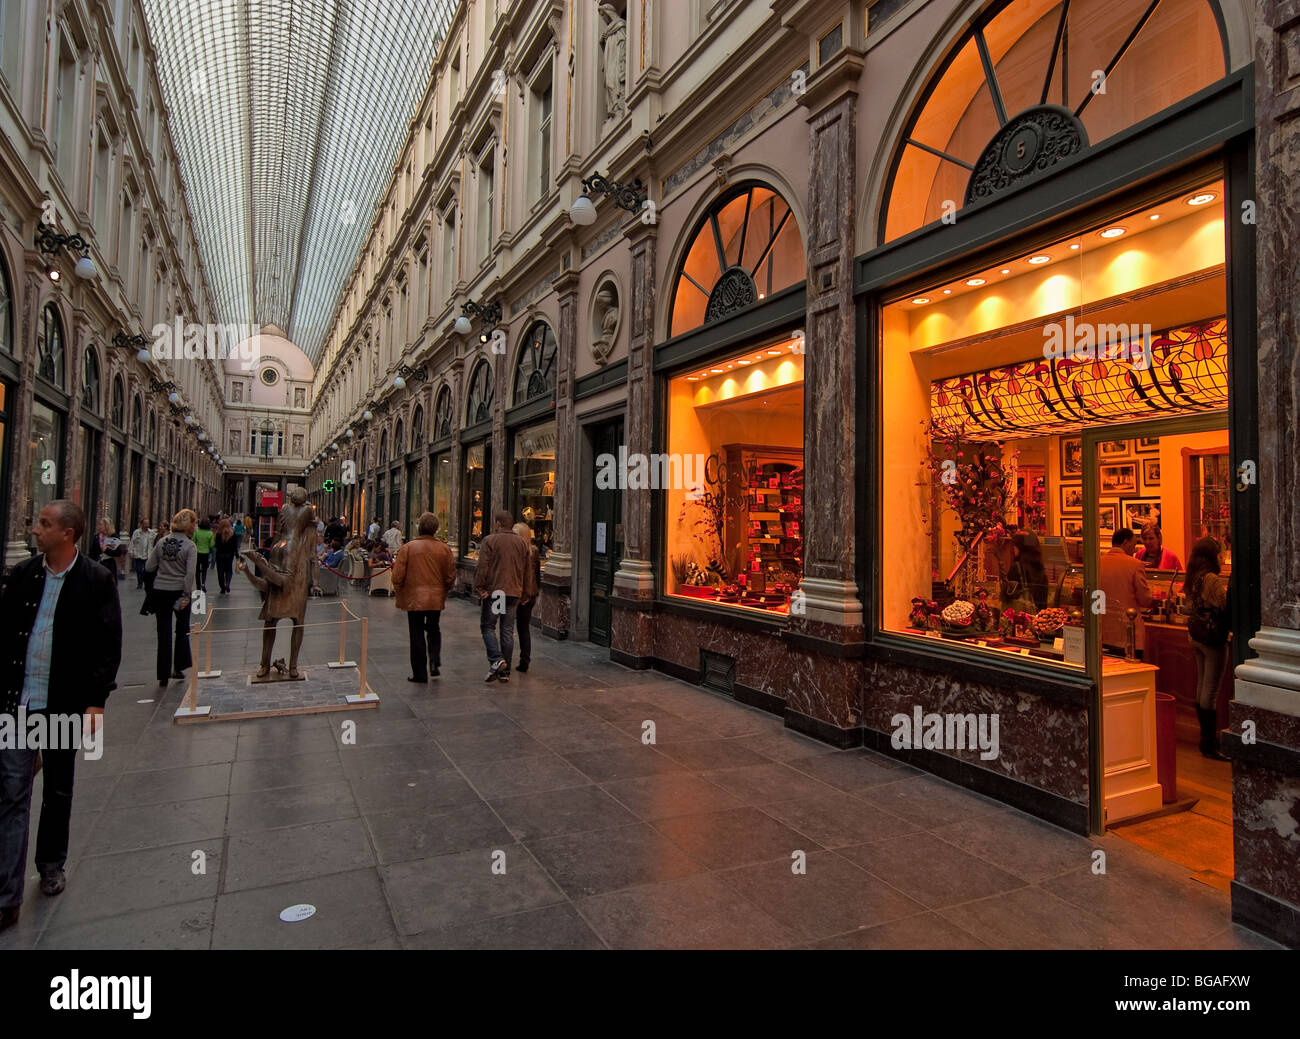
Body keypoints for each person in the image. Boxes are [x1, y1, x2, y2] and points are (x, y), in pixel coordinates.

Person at [0, 499, 121, 932]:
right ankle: (6, 895)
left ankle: (51, 863)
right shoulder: (24, 575)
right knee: (11, 793)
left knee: (57, 789)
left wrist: (96, 700)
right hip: (19, 698)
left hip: (63, 701)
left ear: (68, 533)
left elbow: (108, 644)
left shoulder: (95, 578)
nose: (36, 529)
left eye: (45, 524)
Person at [392, 513, 457, 683]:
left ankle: (420, 673)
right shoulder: (444, 549)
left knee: (417, 633)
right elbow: (451, 575)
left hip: (414, 597)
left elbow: (397, 576)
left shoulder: (408, 547)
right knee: (434, 628)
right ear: (436, 529)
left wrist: (400, 588)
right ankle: (434, 661)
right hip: (435, 597)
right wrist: (444, 589)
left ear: (420, 527)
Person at [1185, 537, 1231, 760]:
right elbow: (1223, 603)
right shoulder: (1211, 579)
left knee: (1201, 685)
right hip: (1213, 637)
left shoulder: (1193, 575)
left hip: (1196, 635)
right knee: (1210, 691)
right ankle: (1210, 743)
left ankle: (1205, 740)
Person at [144, 509, 198, 686]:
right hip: (178, 593)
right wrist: (186, 594)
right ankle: (179, 667)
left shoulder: (162, 542)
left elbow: (149, 566)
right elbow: (190, 574)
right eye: (193, 523)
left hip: (160, 591)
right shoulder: (189, 546)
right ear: (188, 525)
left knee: (163, 632)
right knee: (182, 630)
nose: (194, 526)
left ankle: (163, 674)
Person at [474, 510, 528, 683]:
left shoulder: (490, 540)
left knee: (488, 627)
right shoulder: (521, 542)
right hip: (514, 592)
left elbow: (483, 567)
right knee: (507, 630)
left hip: (497, 592)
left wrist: (479, 587)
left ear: (498, 523)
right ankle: (505, 672)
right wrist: (525, 591)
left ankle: (497, 659)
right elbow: (526, 570)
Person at [1098, 527, 1152, 655]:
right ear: (1125, 543)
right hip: (1128, 634)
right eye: (1133, 545)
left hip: (1103, 634)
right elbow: (1145, 599)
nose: (1134, 550)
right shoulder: (1135, 565)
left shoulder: (1098, 563)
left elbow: (1095, 599)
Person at [512, 523, 542, 673]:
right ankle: (525, 660)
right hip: (530, 594)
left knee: (513, 628)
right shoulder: (534, 551)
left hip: (520, 594)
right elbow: (537, 575)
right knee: (523, 629)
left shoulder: (519, 552)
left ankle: (519, 660)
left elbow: (529, 575)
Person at [998, 529, 1048, 613]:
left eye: (1015, 545)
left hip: (1020, 620)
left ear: (1021, 547)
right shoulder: (1040, 569)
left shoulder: (1016, 568)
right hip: (1037, 620)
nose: (1013, 548)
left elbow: (1006, 598)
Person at [129, 519, 157, 589]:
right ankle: (140, 583)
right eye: (145, 524)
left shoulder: (152, 533)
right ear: (142, 524)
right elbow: (132, 542)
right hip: (138, 553)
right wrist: (131, 551)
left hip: (147, 555)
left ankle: (145, 581)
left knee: (146, 570)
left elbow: (155, 542)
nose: (147, 525)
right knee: (138, 570)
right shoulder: (137, 532)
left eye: (148, 524)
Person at [213, 518, 239, 594]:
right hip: (229, 555)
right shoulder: (232, 534)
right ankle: (227, 583)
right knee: (228, 570)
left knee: (220, 571)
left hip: (220, 555)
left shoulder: (218, 534)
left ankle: (222, 587)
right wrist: (237, 554)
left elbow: (216, 545)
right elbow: (235, 546)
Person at [192, 516, 215, 592]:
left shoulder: (197, 532)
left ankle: (198, 586)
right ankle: (203, 583)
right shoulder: (210, 533)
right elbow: (212, 545)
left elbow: (193, 541)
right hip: (206, 553)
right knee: (204, 570)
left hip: (197, 553)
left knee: (197, 570)